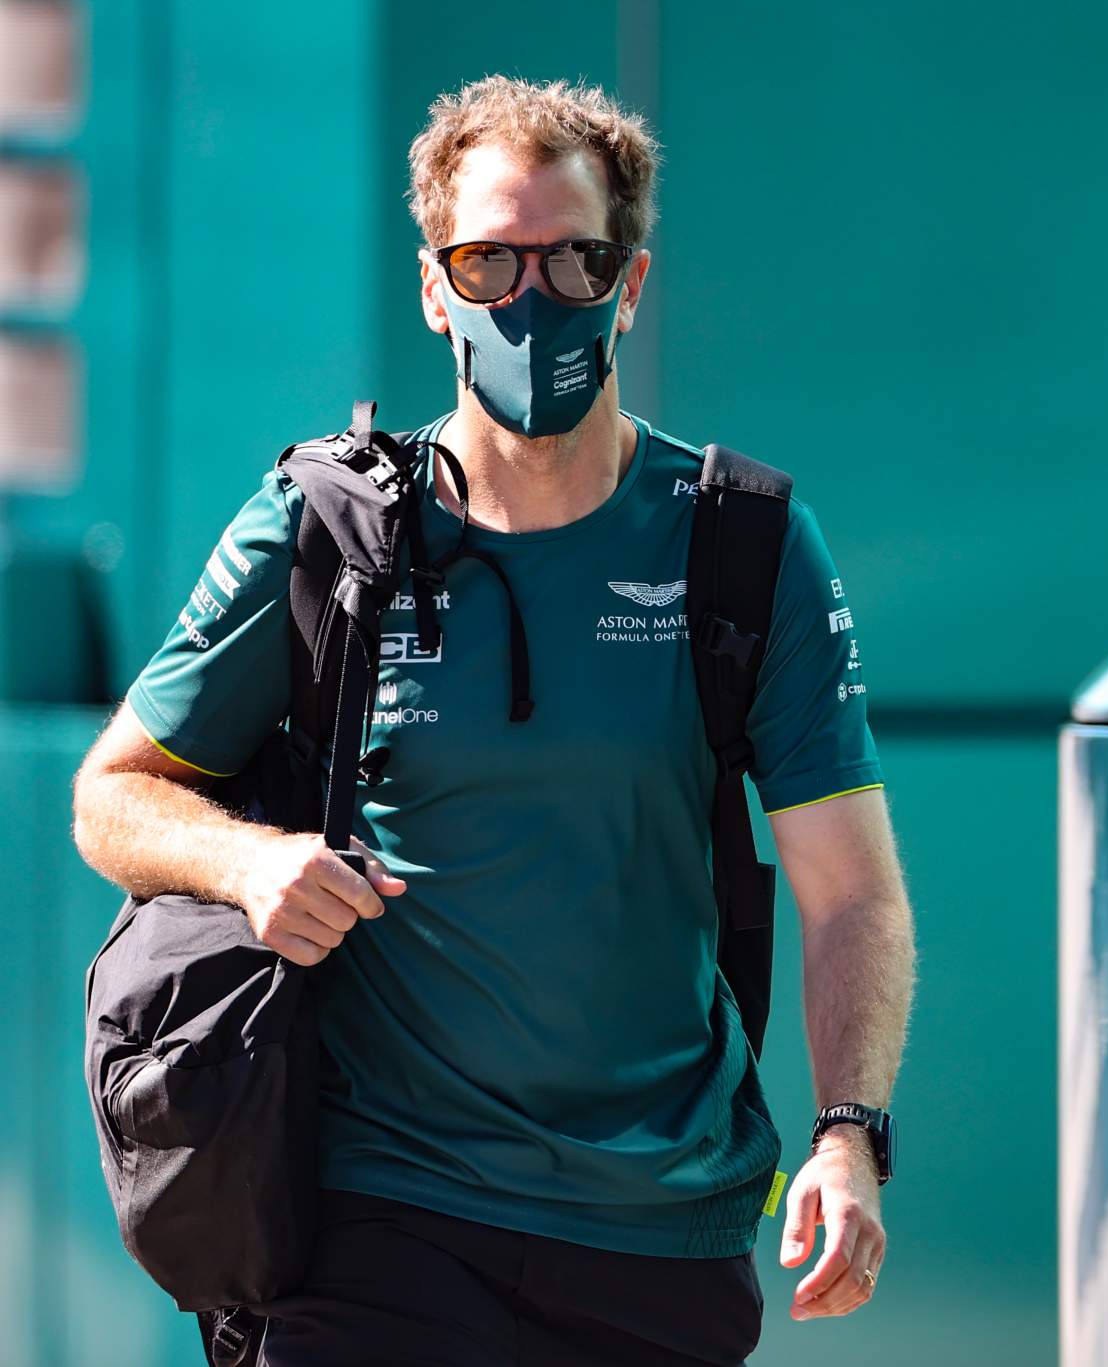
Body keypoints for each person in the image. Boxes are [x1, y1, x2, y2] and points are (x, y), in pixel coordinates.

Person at [70, 76, 915, 1367]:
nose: (532, 300)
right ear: (432, 288)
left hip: (655, 1242)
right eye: (488, 261)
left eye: (576, 262)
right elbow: (112, 793)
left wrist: (850, 1134)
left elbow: (852, 893)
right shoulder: (325, 533)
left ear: (631, 286)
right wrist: (247, 864)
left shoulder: (742, 550)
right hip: (379, 1224)